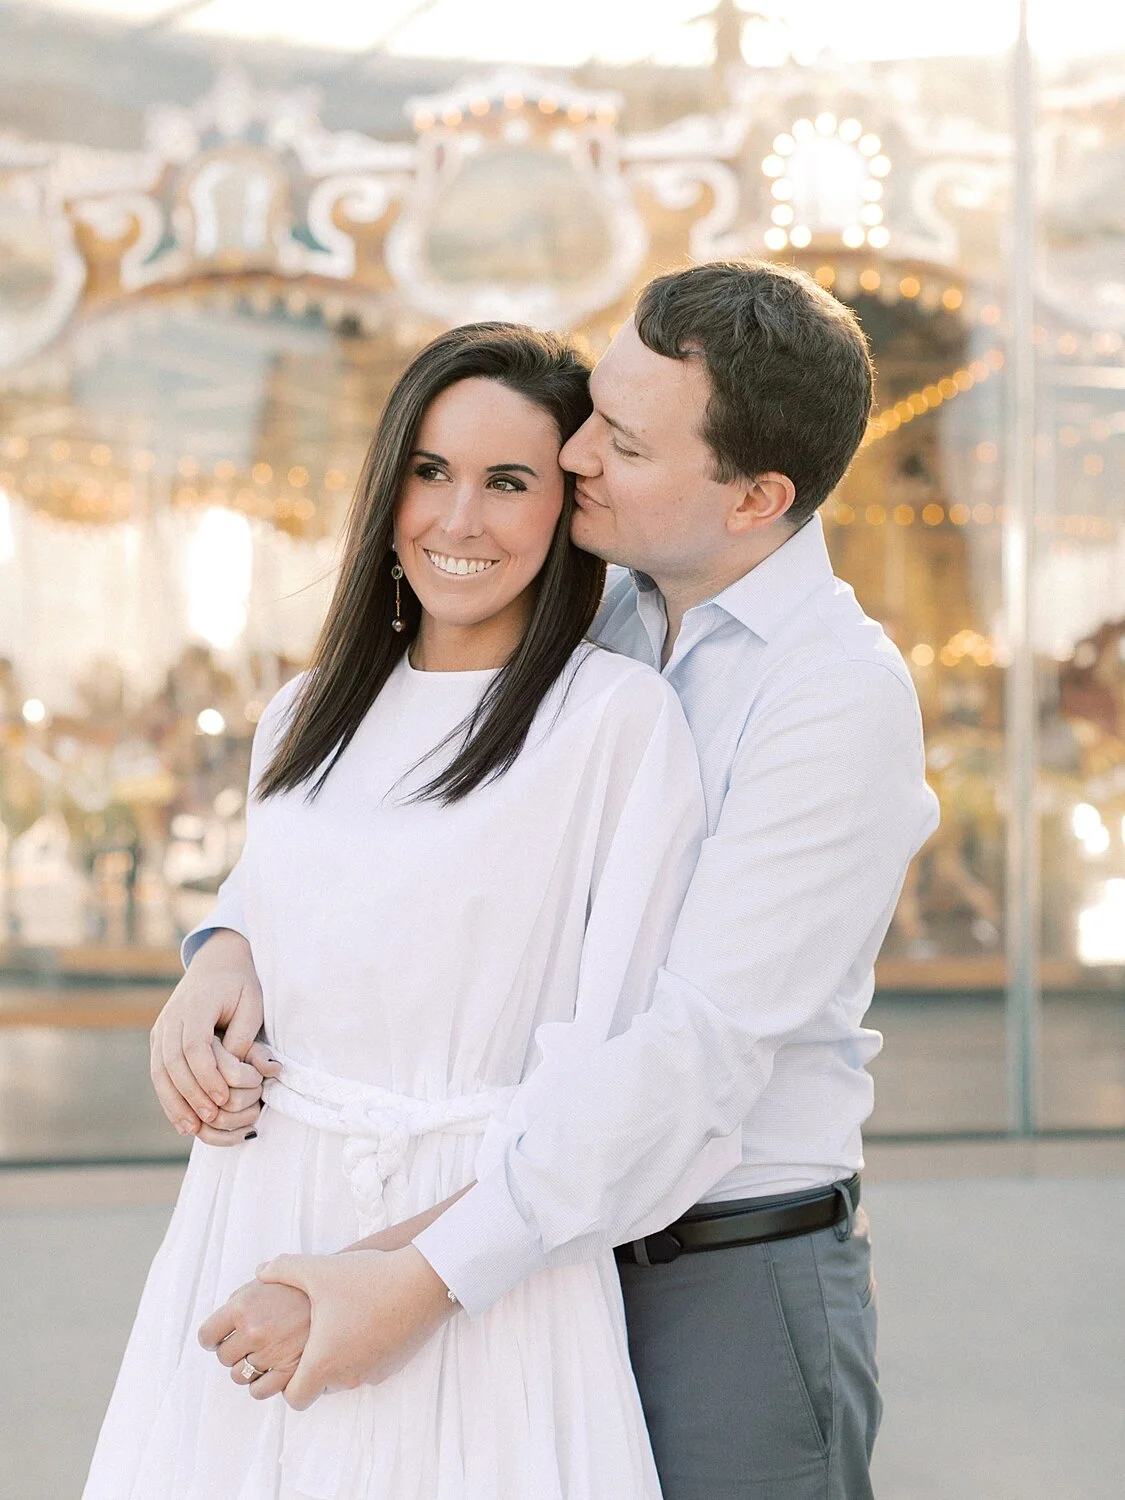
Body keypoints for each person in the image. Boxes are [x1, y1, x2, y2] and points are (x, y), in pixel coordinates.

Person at [151, 261, 940, 1500]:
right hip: (528, 1252)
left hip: (716, 1271)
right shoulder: (604, 607)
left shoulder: (832, 699)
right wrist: (229, 938)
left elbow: (689, 1060)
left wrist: (415, 1277)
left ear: (758, 497)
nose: (572, 452)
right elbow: (388, 825)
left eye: (619, 439)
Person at [85, 323, 724, 1500]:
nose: (458, 520)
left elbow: (628, 1076)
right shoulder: (302, 714)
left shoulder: (615, 726)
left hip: (476, 1252)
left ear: (564, 507)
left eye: (508, 483)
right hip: (254, 1208)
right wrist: (221, 953)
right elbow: (293, 902)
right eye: (430, 472)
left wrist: (407, 1273)